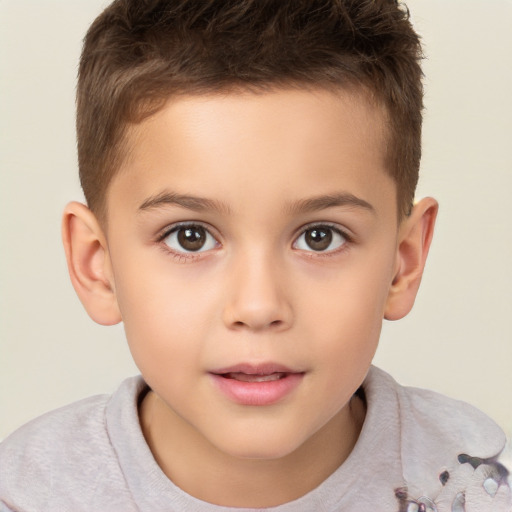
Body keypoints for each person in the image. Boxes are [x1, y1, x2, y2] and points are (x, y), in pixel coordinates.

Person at [0, 1, 509, 510]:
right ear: (98, 265)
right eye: (190, 237)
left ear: (404, 261)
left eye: (320, 237)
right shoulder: (29, 491)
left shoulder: (476, 484)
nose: (258, 306)